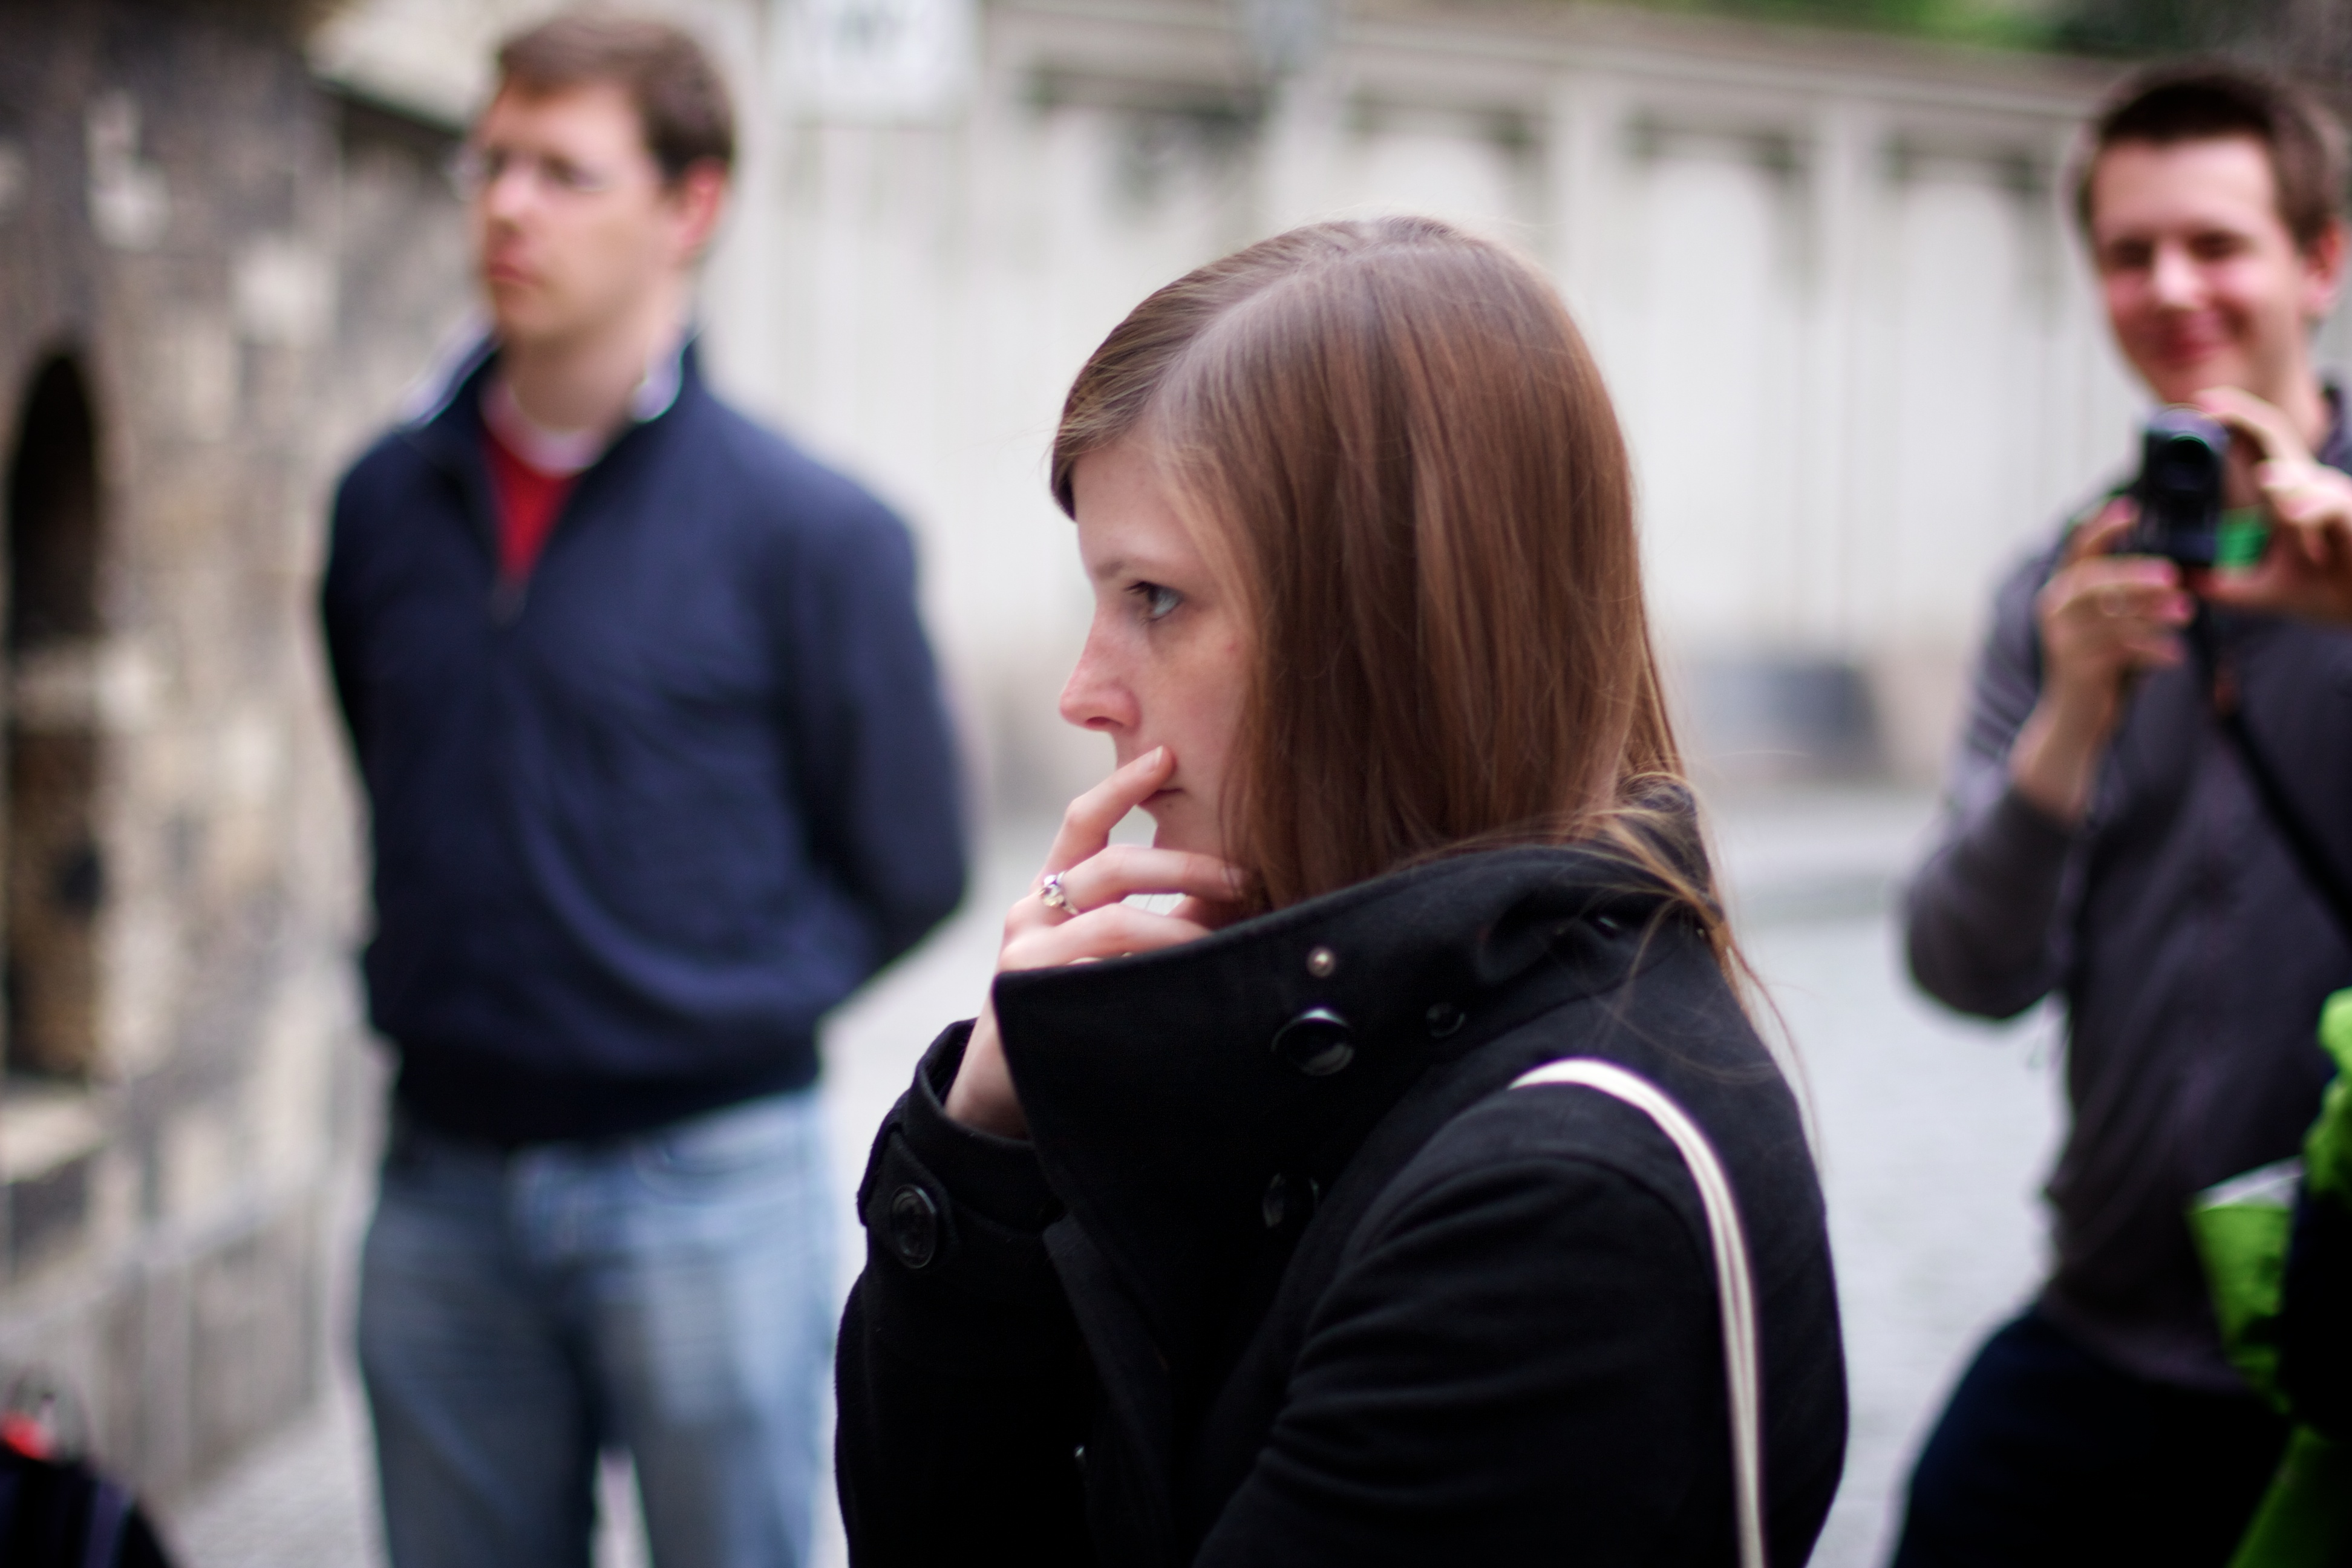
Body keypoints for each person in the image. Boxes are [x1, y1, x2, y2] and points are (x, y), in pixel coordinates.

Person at [834, 217, 1849, 1566]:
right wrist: (987, 1145)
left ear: (1385, 632)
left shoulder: (1553, 1206)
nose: (1085, 692)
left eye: (1156, 599)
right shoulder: (1334, 1029)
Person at [320, 16, 965, 1568]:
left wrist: (707, 1005)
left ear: (692, 206)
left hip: (708, 1187)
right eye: (492, 162)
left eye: (564, 171)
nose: (507, 205)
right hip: (440, 1180)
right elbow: (386, 758)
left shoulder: (812, 533)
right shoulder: (383, 502)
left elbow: (915, 860)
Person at [1898, 61, 2352, 1567]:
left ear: (2321, 259)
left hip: (2337, 1339)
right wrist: (2072, 719)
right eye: (2130, 251)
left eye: (2217, 244)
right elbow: (1964, 970)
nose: (2172, 289)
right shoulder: (2059, 585)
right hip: (2105, 1323)